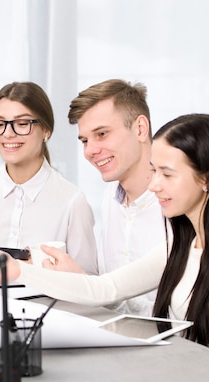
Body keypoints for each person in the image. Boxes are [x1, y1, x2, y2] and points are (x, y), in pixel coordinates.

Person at [0, 113, 209, 347]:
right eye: (154, 170)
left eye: (167, 174)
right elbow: (106, 288)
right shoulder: (182, 242)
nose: (154, 184)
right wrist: (16, 271)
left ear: (207, 180)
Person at [0, 81, 98, 274]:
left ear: (46, 130)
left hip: (49, 305)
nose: (8, 133)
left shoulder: (72, 202)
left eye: (22, 124)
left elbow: (87, 282)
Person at [67, 79, 167, 315]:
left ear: (140, 129)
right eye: (84, 141)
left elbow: (180, 315)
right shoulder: (110, 197)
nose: (90, 151)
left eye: (102, 134)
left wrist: (85, 285)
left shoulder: (176, 203)